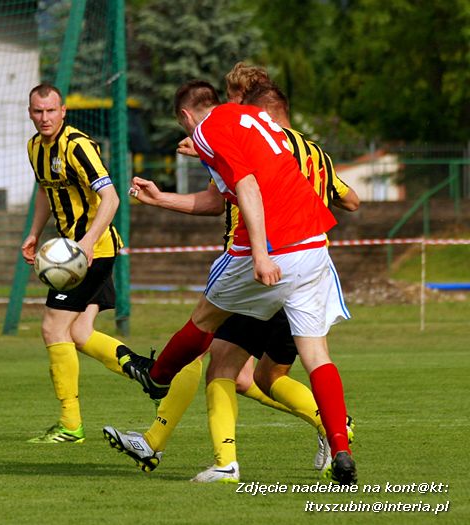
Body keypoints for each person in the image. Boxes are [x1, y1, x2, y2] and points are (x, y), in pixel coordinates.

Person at [106, 79, 359, 482]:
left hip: (267, 247)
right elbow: (226, 191)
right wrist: (162, 197)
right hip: (313, 243)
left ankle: (155, 378)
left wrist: (260, 254)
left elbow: (247, 186)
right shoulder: (253, 118)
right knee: (316, 357)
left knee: (205, 319)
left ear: (187, 117)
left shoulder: (206, 130)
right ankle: (341, 449)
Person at [22, 83, 142, 444]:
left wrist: (86, 244)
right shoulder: (34, 147)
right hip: (83, 252)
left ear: (63, 112)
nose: (44, 118)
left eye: (50, 111)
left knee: (52, 329)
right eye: (37, 111)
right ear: (30, 113)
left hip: (94, 251)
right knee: (80, 334)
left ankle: (70, 425)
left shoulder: (77, 145)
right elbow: (46, 190)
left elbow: (111, 198)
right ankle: (152, 374)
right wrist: (33, 232)